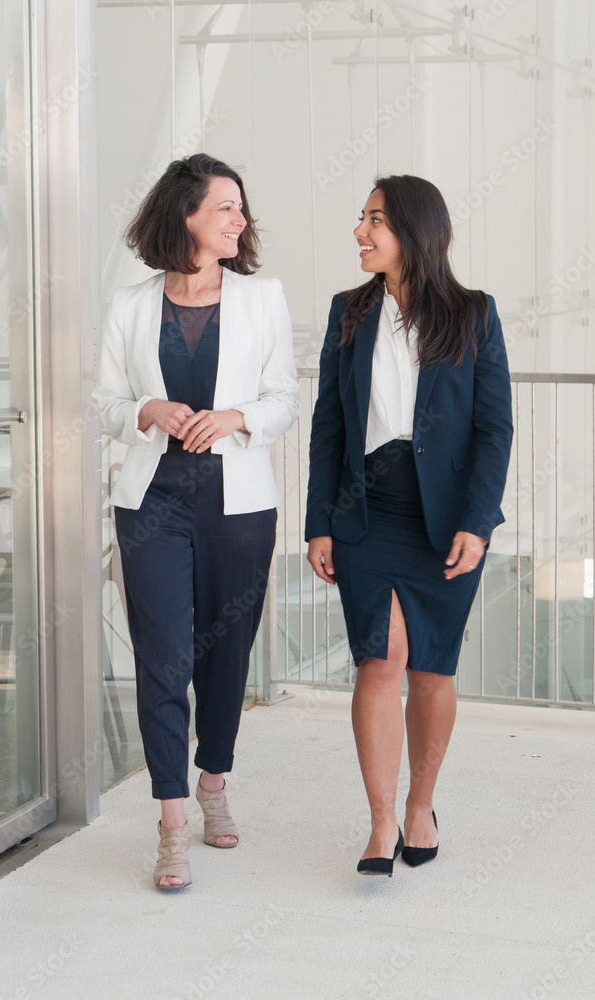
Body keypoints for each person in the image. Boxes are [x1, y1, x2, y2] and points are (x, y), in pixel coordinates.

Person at [93, 153, 298, 889]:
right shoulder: (130, 305)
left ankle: (214, 780)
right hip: (152, 503)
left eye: (241, 207)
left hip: (237, 505)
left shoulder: (261, 297)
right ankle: (172, 822)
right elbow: (104, 404)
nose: (240, 219)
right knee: (162, 659)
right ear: (185, 216)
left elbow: (284, 398)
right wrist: (146, 409)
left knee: (225, 652)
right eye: (225, 207)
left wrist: (236, 417)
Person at [305, 174, 513, 876]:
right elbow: (328, 426)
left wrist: (478, 522)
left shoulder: (473, 314)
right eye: (361, 218)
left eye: (375, 221)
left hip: (446, 517)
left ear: (415, 231)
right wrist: (319, 522)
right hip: (366, 510)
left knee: (429, 670)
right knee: (379, 660)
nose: (360, 232)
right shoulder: (347, 312)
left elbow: (494, 429)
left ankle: (421, 804)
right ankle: (381, 820)